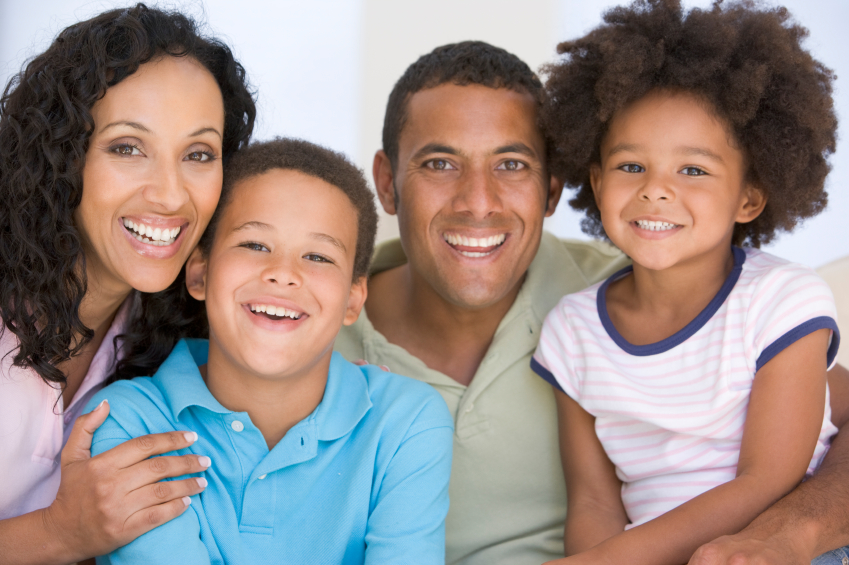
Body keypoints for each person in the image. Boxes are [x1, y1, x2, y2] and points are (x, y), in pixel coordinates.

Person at [333, 40, 849, 565]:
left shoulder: (684, 282)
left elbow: (822, 424)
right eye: (440, 163)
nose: (478, 202)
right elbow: (594, 502)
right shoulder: (302, 321)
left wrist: (796, 532)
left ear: (553, 185)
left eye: (510, 164)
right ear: (387, 182)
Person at [531, 1, 841, 563]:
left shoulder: (782, 303)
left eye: (693, 170)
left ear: (748, 197)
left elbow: (766, 479)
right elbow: (595, 502)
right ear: (597, 184)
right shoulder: (571, 331)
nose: (655, 190)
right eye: (631, 166)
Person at [84, 138, 454, 564]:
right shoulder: (130, 424)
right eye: (255, 245)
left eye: (318, 256)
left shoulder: (406, 422)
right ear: (200, 272)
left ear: (354, 299)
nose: (283, 273)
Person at [0, 6, 255, 564]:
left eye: (198, 155)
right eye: (127, 148)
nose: (169, 194)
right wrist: (59, 533)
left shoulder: (172, 331)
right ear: (61, 157)